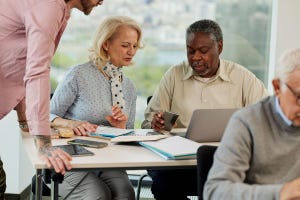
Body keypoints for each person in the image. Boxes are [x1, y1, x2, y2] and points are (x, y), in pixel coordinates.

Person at [141, 19, 269, 200]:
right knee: (163, 185)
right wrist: (155, 123)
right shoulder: (174, 75)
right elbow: (147, 124)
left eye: (203, 51)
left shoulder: (243, 78)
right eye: (190, 51)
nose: (195, 57)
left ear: (220, 47)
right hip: (176, 165)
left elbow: (267, 117)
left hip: (225, 162)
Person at [0, 0, 103, 198]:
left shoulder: (56, 8)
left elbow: (19, 62)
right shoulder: (49, 6)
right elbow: (37, 71)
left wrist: (25, 120)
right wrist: (44, 144)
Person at [50, 16, 142, 199]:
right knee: (97, 195)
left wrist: (120, 128)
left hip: (107, 159)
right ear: (106, 44)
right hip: (69, 159)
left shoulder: (129, 87)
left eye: (135, 46)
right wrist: (70, 124)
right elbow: (46, 115)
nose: (131, 51)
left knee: (125, 193)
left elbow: (129, 134)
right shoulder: (78, 74)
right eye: (125, 45)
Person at [203, 48, 300, 200]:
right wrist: (281, 193)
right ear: (277, 87)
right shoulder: (247, 122)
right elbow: (215, 191)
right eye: (299, 97)